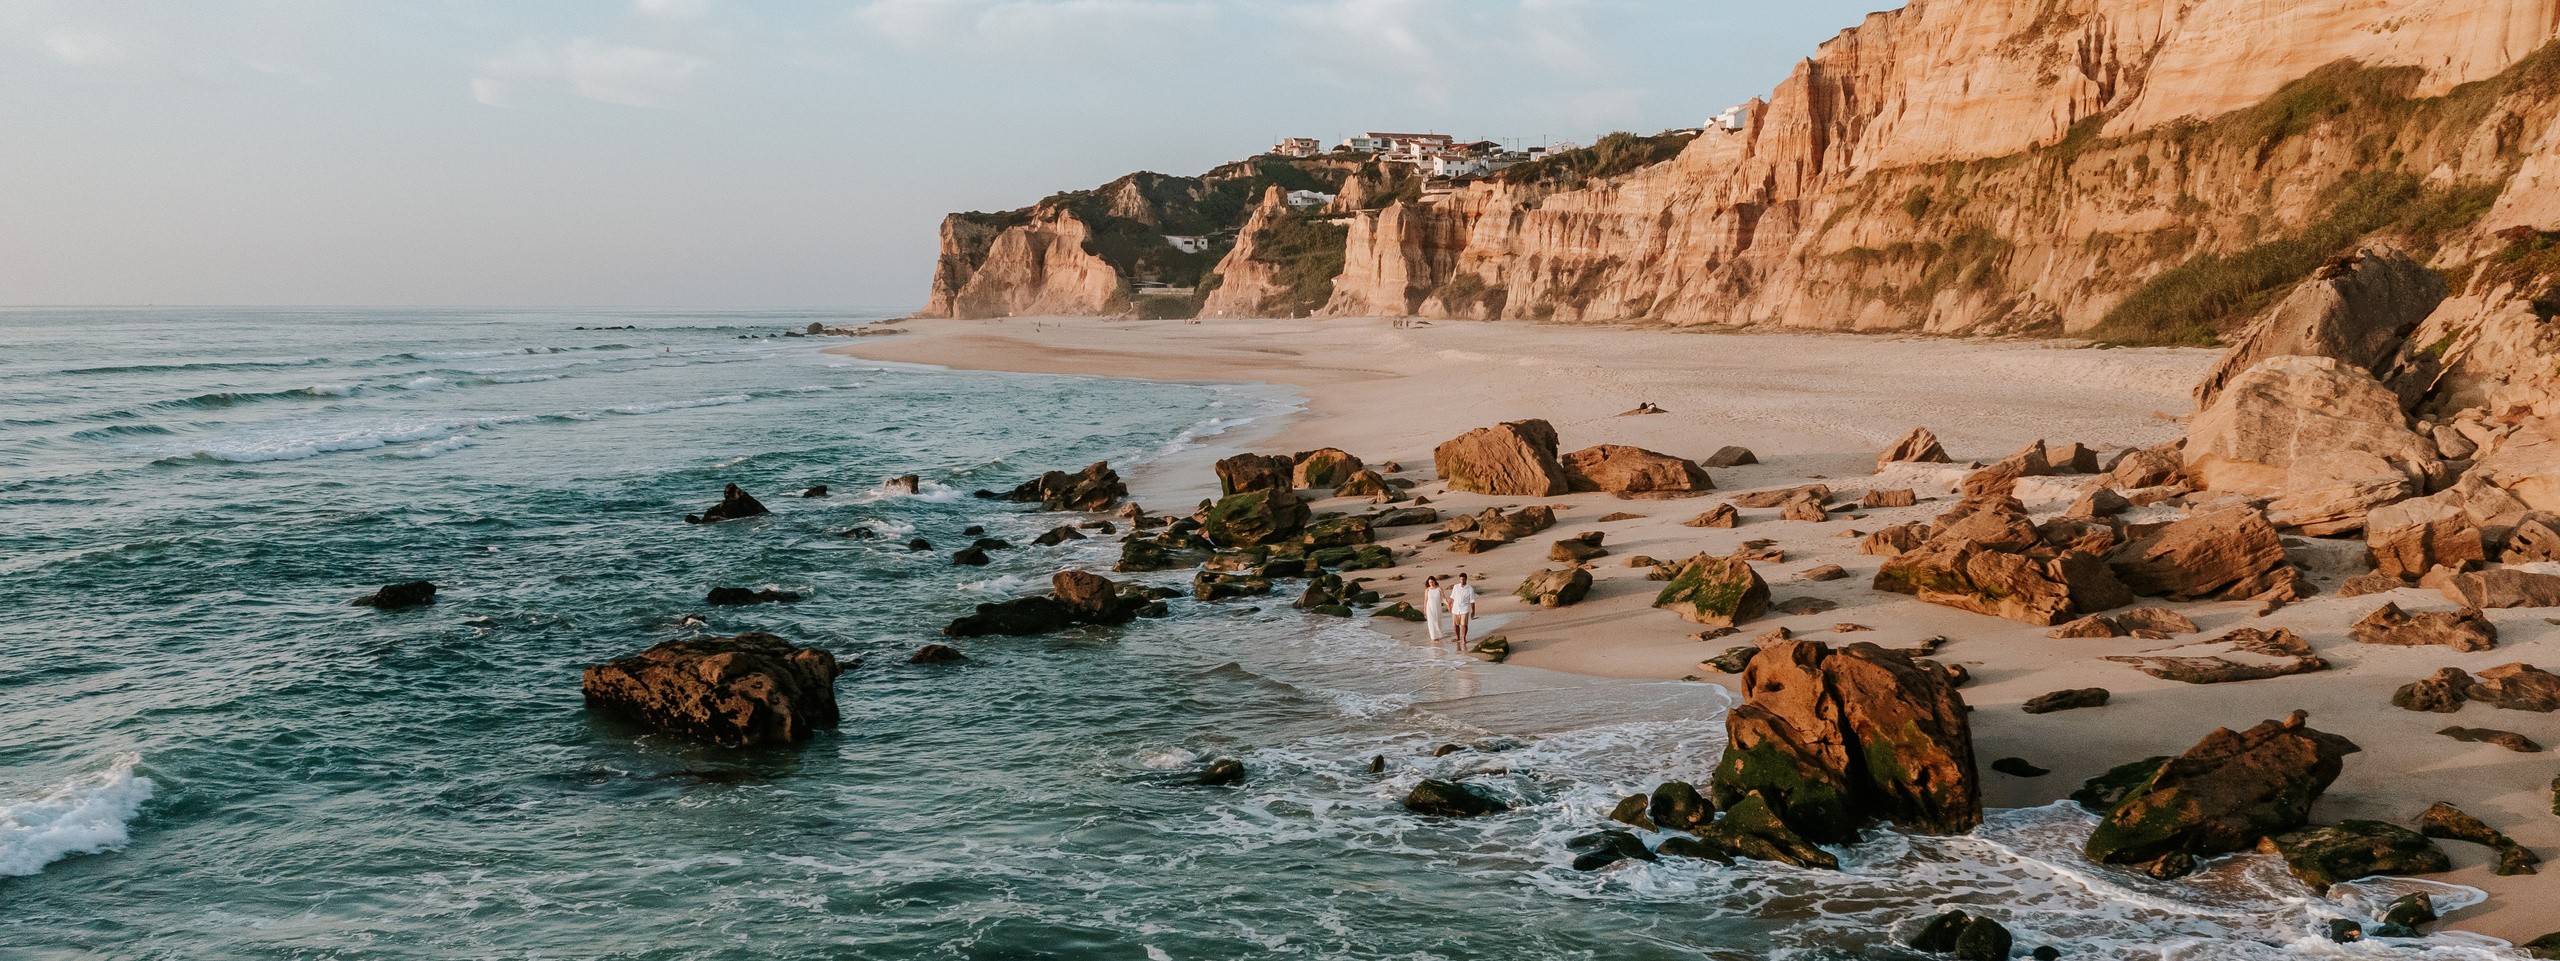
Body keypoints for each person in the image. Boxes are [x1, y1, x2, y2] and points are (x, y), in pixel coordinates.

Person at [1448, 573, 1477, 652]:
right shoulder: (1456, 587)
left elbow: (1472, 600)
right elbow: (1452, 597)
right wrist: (1449, 605)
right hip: (1455, 608)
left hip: (1465, 608)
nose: (1462, 581)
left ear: (1466, 579)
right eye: (1460, 579)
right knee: (1456, 624)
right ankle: (1457, 637)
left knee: (1464, 624)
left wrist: (1473, 611)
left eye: (1463, 579)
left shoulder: (1470, 589)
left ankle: (1463, 638)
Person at [1422, 576, 1448, 645]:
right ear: (1428, 583)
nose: (1431, 583)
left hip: (1437, 607)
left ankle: (1438, 635)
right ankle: (1433, 637)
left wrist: (1447, 604)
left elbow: (1443, 598)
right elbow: (1425, 600)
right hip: (1429, 607)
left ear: (1435, 581)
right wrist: (1424, 609)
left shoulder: (1439, 589)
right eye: (1430, 582)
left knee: (1437, 620)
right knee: (1431, 622)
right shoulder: (1427, 590)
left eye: (1432, 582)